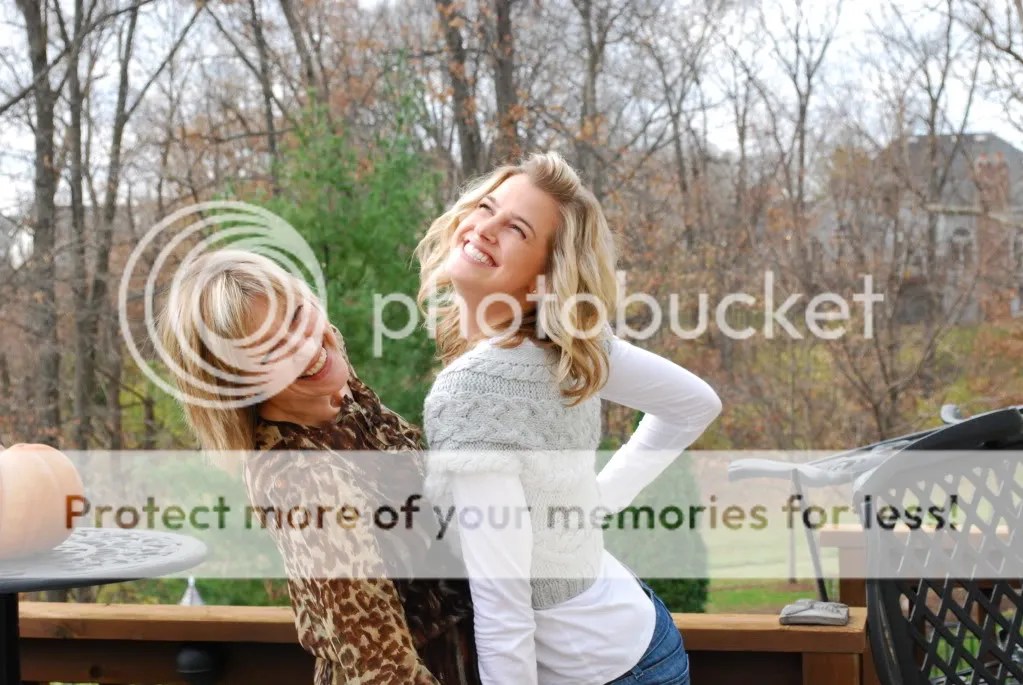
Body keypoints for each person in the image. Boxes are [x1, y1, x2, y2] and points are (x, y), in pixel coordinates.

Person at [415, 152, 722, 684]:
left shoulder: (477, 390)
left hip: (607, 671)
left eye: (516, 229)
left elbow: (504, 607)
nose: (485, 227)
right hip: (640, 636)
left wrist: (598, 503)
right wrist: (598, 503)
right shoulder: (570, 346)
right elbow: (695, 404)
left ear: (542, 281)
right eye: (486, 207)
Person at [158, 249, 480, 684]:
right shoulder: (302, 480)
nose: (305, 346)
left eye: (295, 315)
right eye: (269, 350)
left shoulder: (332, 388)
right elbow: (380, 670)